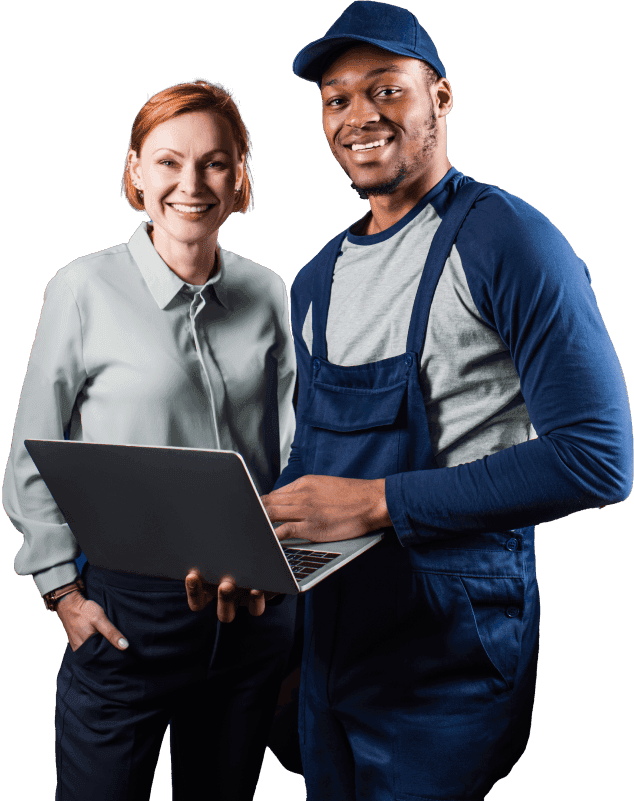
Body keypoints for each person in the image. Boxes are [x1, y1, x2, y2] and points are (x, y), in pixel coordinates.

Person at [259, 3, 633, 800]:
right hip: (331, 635)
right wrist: (255, 553)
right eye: (336, 99)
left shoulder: (509, 241)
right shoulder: (316, 279)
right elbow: (312, 460)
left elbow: (598, 458)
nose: (359, 116)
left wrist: (377, 502)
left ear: (442, 96)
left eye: (386, 89)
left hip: (449, 641)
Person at [2, 79, 296, 801]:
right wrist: (60, 590)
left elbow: (293, 448)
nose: (191, 184)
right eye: (168, 161)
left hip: (251, 612)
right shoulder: (82, 289)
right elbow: (32, 452)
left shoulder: (268, 292)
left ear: (240, 173)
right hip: (128, 614)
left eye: (214, 162)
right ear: (135, 170)